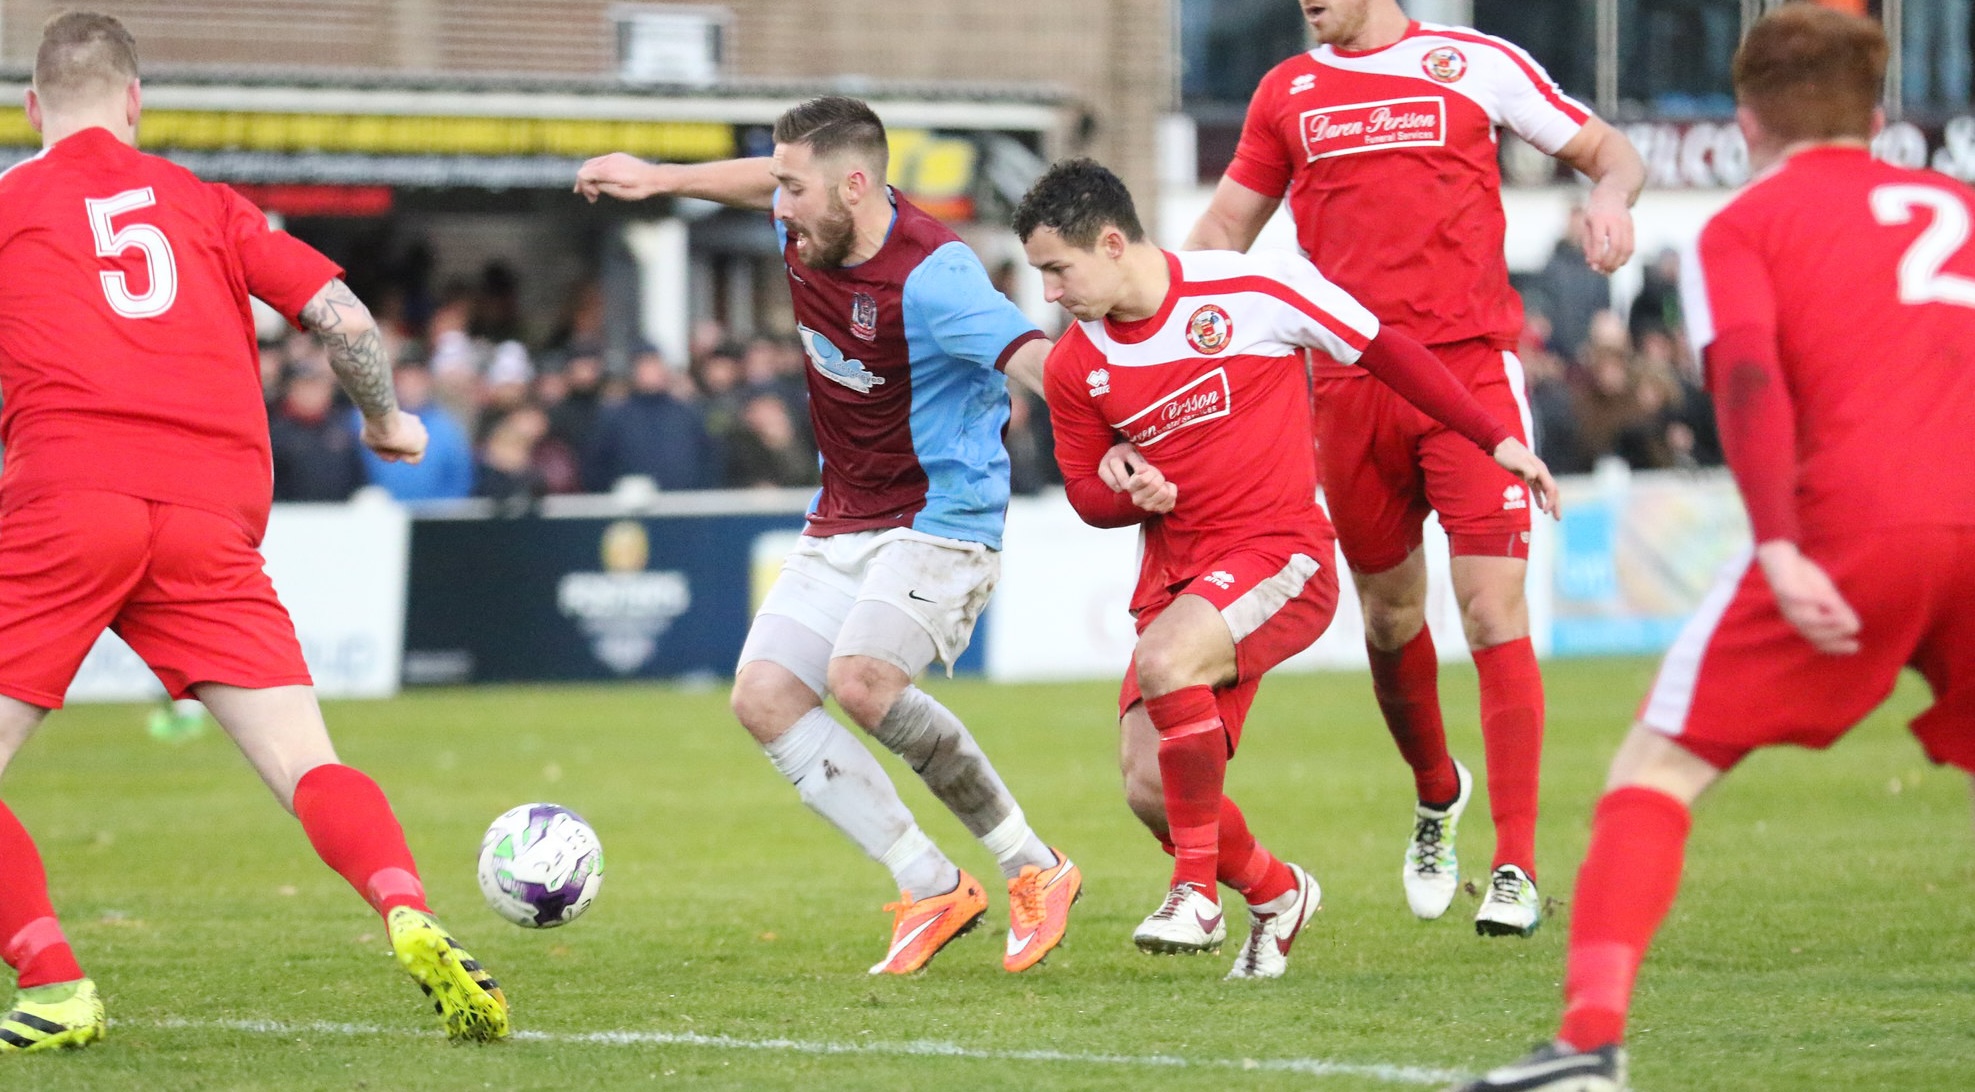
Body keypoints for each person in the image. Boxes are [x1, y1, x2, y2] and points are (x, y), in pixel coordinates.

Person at [1460, 8, 1975, 1089]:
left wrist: (1779, 547)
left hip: (1855, 531)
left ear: (1745, 120)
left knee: (1655, 768)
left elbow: (1745, 383)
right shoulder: (1958, 207)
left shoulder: (1742, 228)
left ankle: (1588, 1043)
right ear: (1876, 114)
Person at [0, 13, 508, 1049]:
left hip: (71, 497)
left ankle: (54, 984)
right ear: (136, 101)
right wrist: (385, 419)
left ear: (32, 108)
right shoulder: (205, 202)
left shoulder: (12, 202)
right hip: (209, 513)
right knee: (304, 761)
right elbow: (344, 317)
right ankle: (405, 904)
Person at [576, 95, 1081, 975]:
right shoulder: (810, 223)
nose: (778, 206)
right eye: (776, 185)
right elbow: (764, 180)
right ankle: (928, 883)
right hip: (845, 512)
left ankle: (1033, 865)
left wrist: (1120, 444)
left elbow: (1040, 362)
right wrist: (657, 179)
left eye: (793, 189)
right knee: (764, 697)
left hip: (942, 515)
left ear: (854, 186)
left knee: (861, 682)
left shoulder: (935, 274)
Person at [1015, 158, 1557, 978]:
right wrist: (1131, 492)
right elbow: (1088, 495)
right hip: (1176, 582)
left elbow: (1385, 351)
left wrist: (1495, 437)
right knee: (1148, 788)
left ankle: (1193, 893)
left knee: (1165, 663)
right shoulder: (1071, 365)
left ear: (1113, 243)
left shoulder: (1252, 288)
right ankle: (1277, 893)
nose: (1050, 293)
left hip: (1279, 552)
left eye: (1057, 270)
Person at [1186, 0, 1646, 935]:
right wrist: (1145, 317)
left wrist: (1607, 197)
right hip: (1348, 383)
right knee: (1390, 616)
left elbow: (1610, 152)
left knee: (1491, 608)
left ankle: (1514, 864)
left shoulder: (1471, 62)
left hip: (1469, 372)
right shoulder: (1285, 92)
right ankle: (1437, 792)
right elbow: (1223, 231)